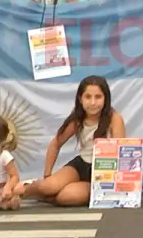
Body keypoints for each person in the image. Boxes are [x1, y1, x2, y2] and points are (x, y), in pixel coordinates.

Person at [21, 76, 125, 207]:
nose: (93, 102)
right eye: (88, 97)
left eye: (98, 97)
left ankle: (51, 197)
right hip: (81, 164)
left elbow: (121, 152)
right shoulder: (77, 119)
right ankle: (21, 191)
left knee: (66, 197)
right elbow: (55, 144)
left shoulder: (114, 118)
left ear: (106, 98)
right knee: (47, 186)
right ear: (80, 99)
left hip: (103, 172)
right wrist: (47, 175)